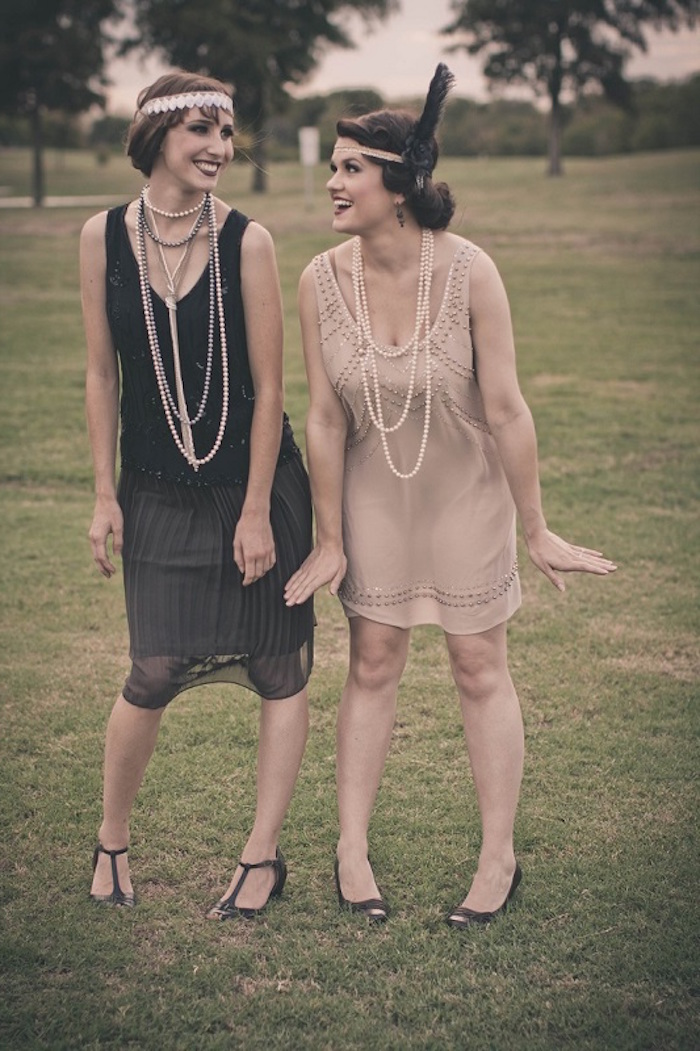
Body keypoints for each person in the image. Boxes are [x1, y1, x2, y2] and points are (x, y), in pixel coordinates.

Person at [284, 65, 617, 926]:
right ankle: (350, 847)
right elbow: (323, 418)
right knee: (372, 662)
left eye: (351, 167)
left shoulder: (471, 272)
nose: (333, 182)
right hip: (372, 498)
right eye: (333, 166)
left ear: (400, 183)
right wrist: (329, 535)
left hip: (467, 492)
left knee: (478, 664)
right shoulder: (320, 278)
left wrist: (536, 528)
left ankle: (498, 855)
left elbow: (506, 408)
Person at [81, 70, 314, 919]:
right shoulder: (102, 236)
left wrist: (256, 510)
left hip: (251, 486)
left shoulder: (248, 242)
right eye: (202, 131)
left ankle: (261, 857)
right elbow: (102, 373)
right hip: (154, 488)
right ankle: (111, 838)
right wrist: (104, 494)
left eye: (227, 130)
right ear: (157, 138)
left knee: (277, 664)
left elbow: (269, 387)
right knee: (154, 668)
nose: (220, 146)